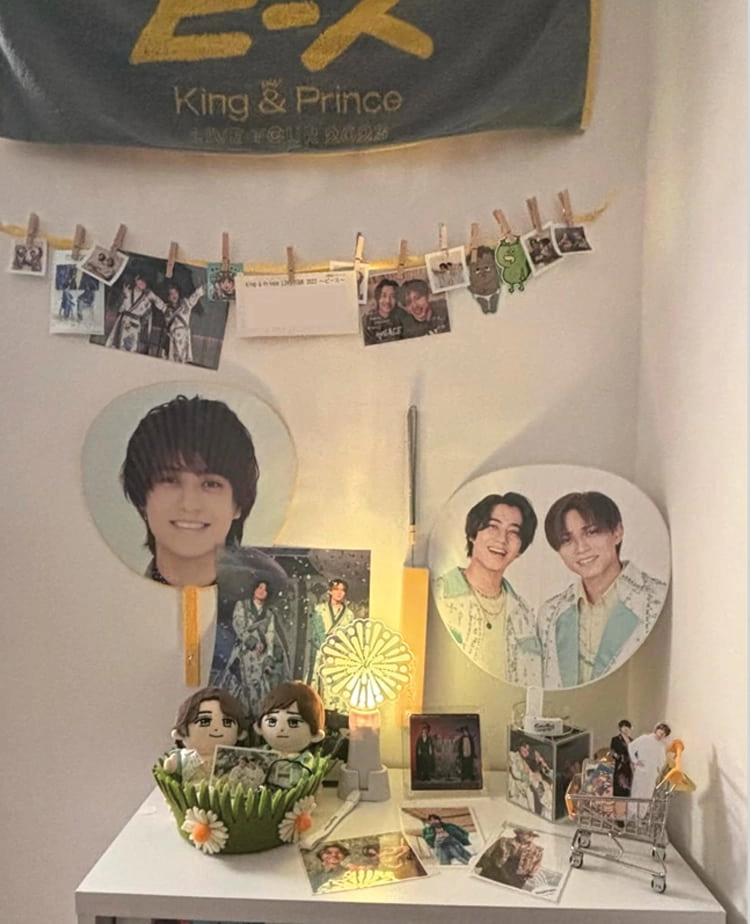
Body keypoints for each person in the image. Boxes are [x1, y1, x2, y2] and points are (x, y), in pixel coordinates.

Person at [121, 394, 259, 587]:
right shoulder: (105, 599)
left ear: (237, 505)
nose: (189, 504)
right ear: (143, 499)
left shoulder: (272, 599)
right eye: (170, 480)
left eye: (211, 484)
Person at [538, 491, 668, 688]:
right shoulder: (550, 614)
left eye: (591, 532)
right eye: (566, 539)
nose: (581, 548)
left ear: (617, 532)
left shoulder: (658, 599)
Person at [434, 492, 541, 684]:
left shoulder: (523, 615)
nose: (502, 539)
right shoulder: (438, 594)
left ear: (520, 549)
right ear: (473, 535)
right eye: (493, 526)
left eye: (513, 532)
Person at [223, 580, 291, 711]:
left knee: (260, 683)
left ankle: (257, 712)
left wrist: (269, 653)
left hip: (261, 653)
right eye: (259, 588)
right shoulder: (242, 606)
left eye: (265, 590)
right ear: (254, 589)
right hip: (244, 651)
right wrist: (252, 642)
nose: (261, 591)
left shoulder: (269, 613)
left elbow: (270, 633)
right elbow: (238, 625)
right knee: (240, 682)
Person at [162, 685, 248, 784]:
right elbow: (172, 767)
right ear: (180, 733)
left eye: (227, 722)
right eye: (204, 721)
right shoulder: (185, 757)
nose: (216, 728)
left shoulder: (233, 759)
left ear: (240, 734)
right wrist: (172, 764)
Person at [254, 681, 326, 789]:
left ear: (316, 735)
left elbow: (312, 785)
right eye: (272, 721)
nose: (281, 728)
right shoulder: (256, 756)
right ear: (259, 728)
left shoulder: (308, 762)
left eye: (294, 722)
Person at [309, 579, 356, 709]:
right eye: (336, 589)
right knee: (320, 684)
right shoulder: (319, 609)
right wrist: (326, 647)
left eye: (342, 590)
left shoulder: (349, 614)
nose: (339, 593)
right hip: (322, 651)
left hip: (339, 653)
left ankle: (335, 712)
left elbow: (349, 636)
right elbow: (317, 632)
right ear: (330, 591)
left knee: (336, 685)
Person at [105, 271, 167, 354]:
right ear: (136, 279)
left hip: (135, 325)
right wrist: (123, 295)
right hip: (122, 322)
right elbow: (117, 308)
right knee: (116, 347)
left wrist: (153, 297)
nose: (142, 283)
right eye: (140, 280)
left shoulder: (148, 297)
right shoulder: (127, 292)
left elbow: (162, 306)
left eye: (145, 282)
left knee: (130, 348)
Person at [477, 828, 543, 889]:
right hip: (493, 873)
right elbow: (487, 854)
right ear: (519, 833)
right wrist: (486, 867)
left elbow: (536, 865)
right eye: (528, 834)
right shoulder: (503, 841)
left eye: (533, 835)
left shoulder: (537, 850)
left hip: (515, 880)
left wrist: (528, 875)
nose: (530, 836)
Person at [628, 722, 671, 814]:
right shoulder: (645, 739)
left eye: (664, 734)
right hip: (641, 771)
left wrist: (659, 770)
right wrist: (635, 760)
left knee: (647, 795)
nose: (661, 734)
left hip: (652, 774)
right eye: (661, 731)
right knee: (637, 793)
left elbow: (662, 761)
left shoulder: (661, 746)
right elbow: (631, 746)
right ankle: (632, 815)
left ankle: (641, 816)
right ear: (657, 730)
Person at [161, 280, 205, 363]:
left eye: (175, 292)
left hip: (183, 338)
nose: (174, 295)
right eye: (171, 294)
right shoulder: (166, 309)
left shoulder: (185, 304)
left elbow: (196, 295)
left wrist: (204, 287)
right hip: (172, 340)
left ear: (178, 293)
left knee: (182, 361)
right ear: (168, 297)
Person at [363, 278, 403, 345]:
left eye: (392, 296)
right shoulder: (367, 320)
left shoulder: (404, 317)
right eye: (383, 296)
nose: (388, 301)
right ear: (378, 298)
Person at [466, 245, 502, 314]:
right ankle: (483, 303)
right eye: (478, 270)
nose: (483, 273)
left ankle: (492, 303)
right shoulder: (473, 266)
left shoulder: (493, 272)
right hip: (479, 293)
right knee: (481, 299)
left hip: (493, 291)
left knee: (494, 297)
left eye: (486, 268)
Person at [610, 719, 634, 796]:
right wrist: (620, 758)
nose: (626, 729)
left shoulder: (631, 740)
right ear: (620, 728)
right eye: (624, 727)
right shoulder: (616, 739)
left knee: (629, 784)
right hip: (620, 765)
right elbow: (613, 752)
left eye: (627, 727)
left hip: (629, 765)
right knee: (620, 783)